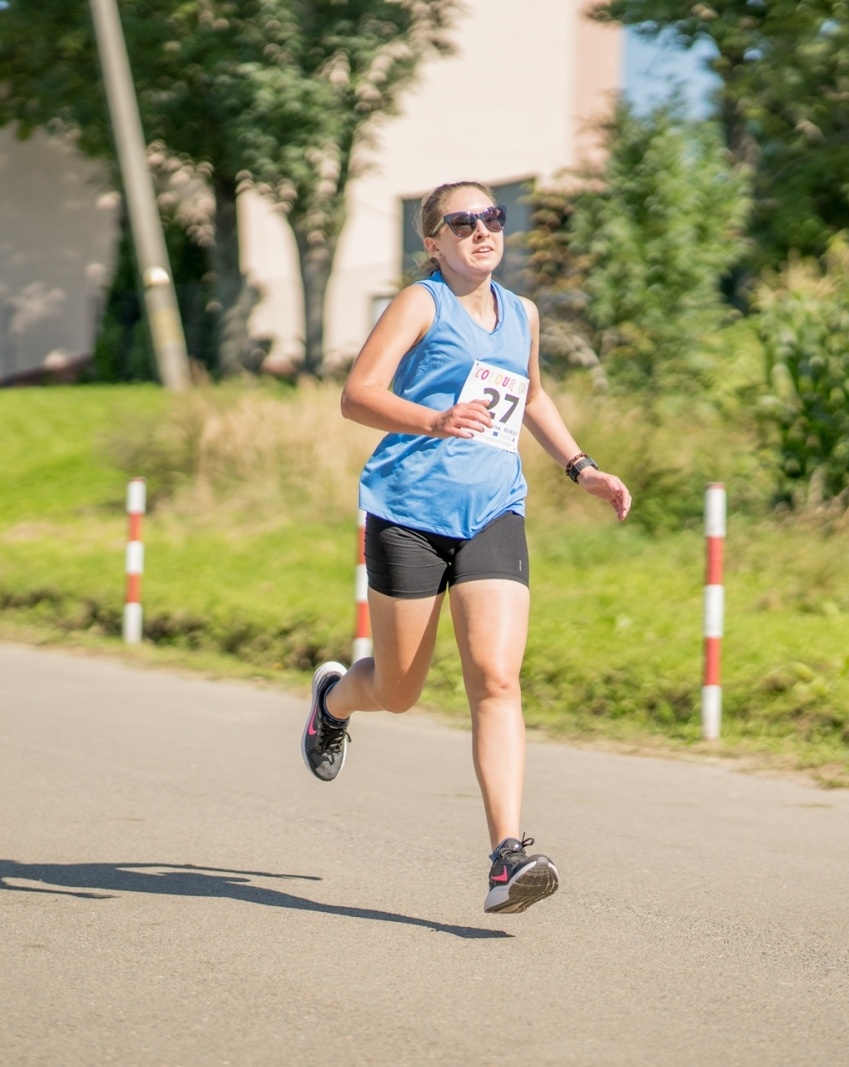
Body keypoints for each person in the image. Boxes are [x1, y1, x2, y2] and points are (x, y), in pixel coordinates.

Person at [300, 180, 632, 914]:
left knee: (497, 676)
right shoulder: (422, 303)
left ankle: (507, 855)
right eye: (462, 221)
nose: (482, 231)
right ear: (433, 240)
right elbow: (358, 393)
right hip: (408, 511)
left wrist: (582, 468)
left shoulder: (524, 313)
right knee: (399, 689)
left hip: (493, 508)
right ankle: (333, 699)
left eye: (492, 218)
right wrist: (433, 419)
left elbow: (532, 395)